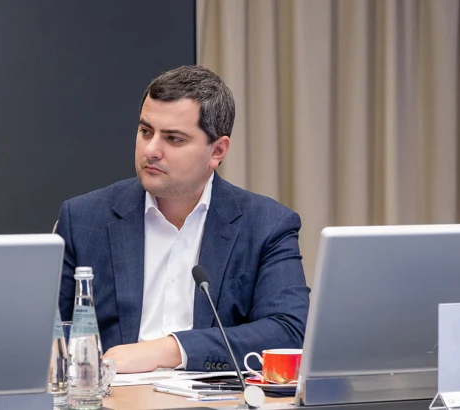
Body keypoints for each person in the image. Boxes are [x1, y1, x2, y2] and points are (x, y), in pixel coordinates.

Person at [55, 65, 310, 373]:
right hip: (114, 393)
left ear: (217, 150)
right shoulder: (84, 219)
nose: (151, 150)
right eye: (146, 132)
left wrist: (172, 349)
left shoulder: (266, 225)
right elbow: (47, 331)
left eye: (173, 138)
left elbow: (288, 332)